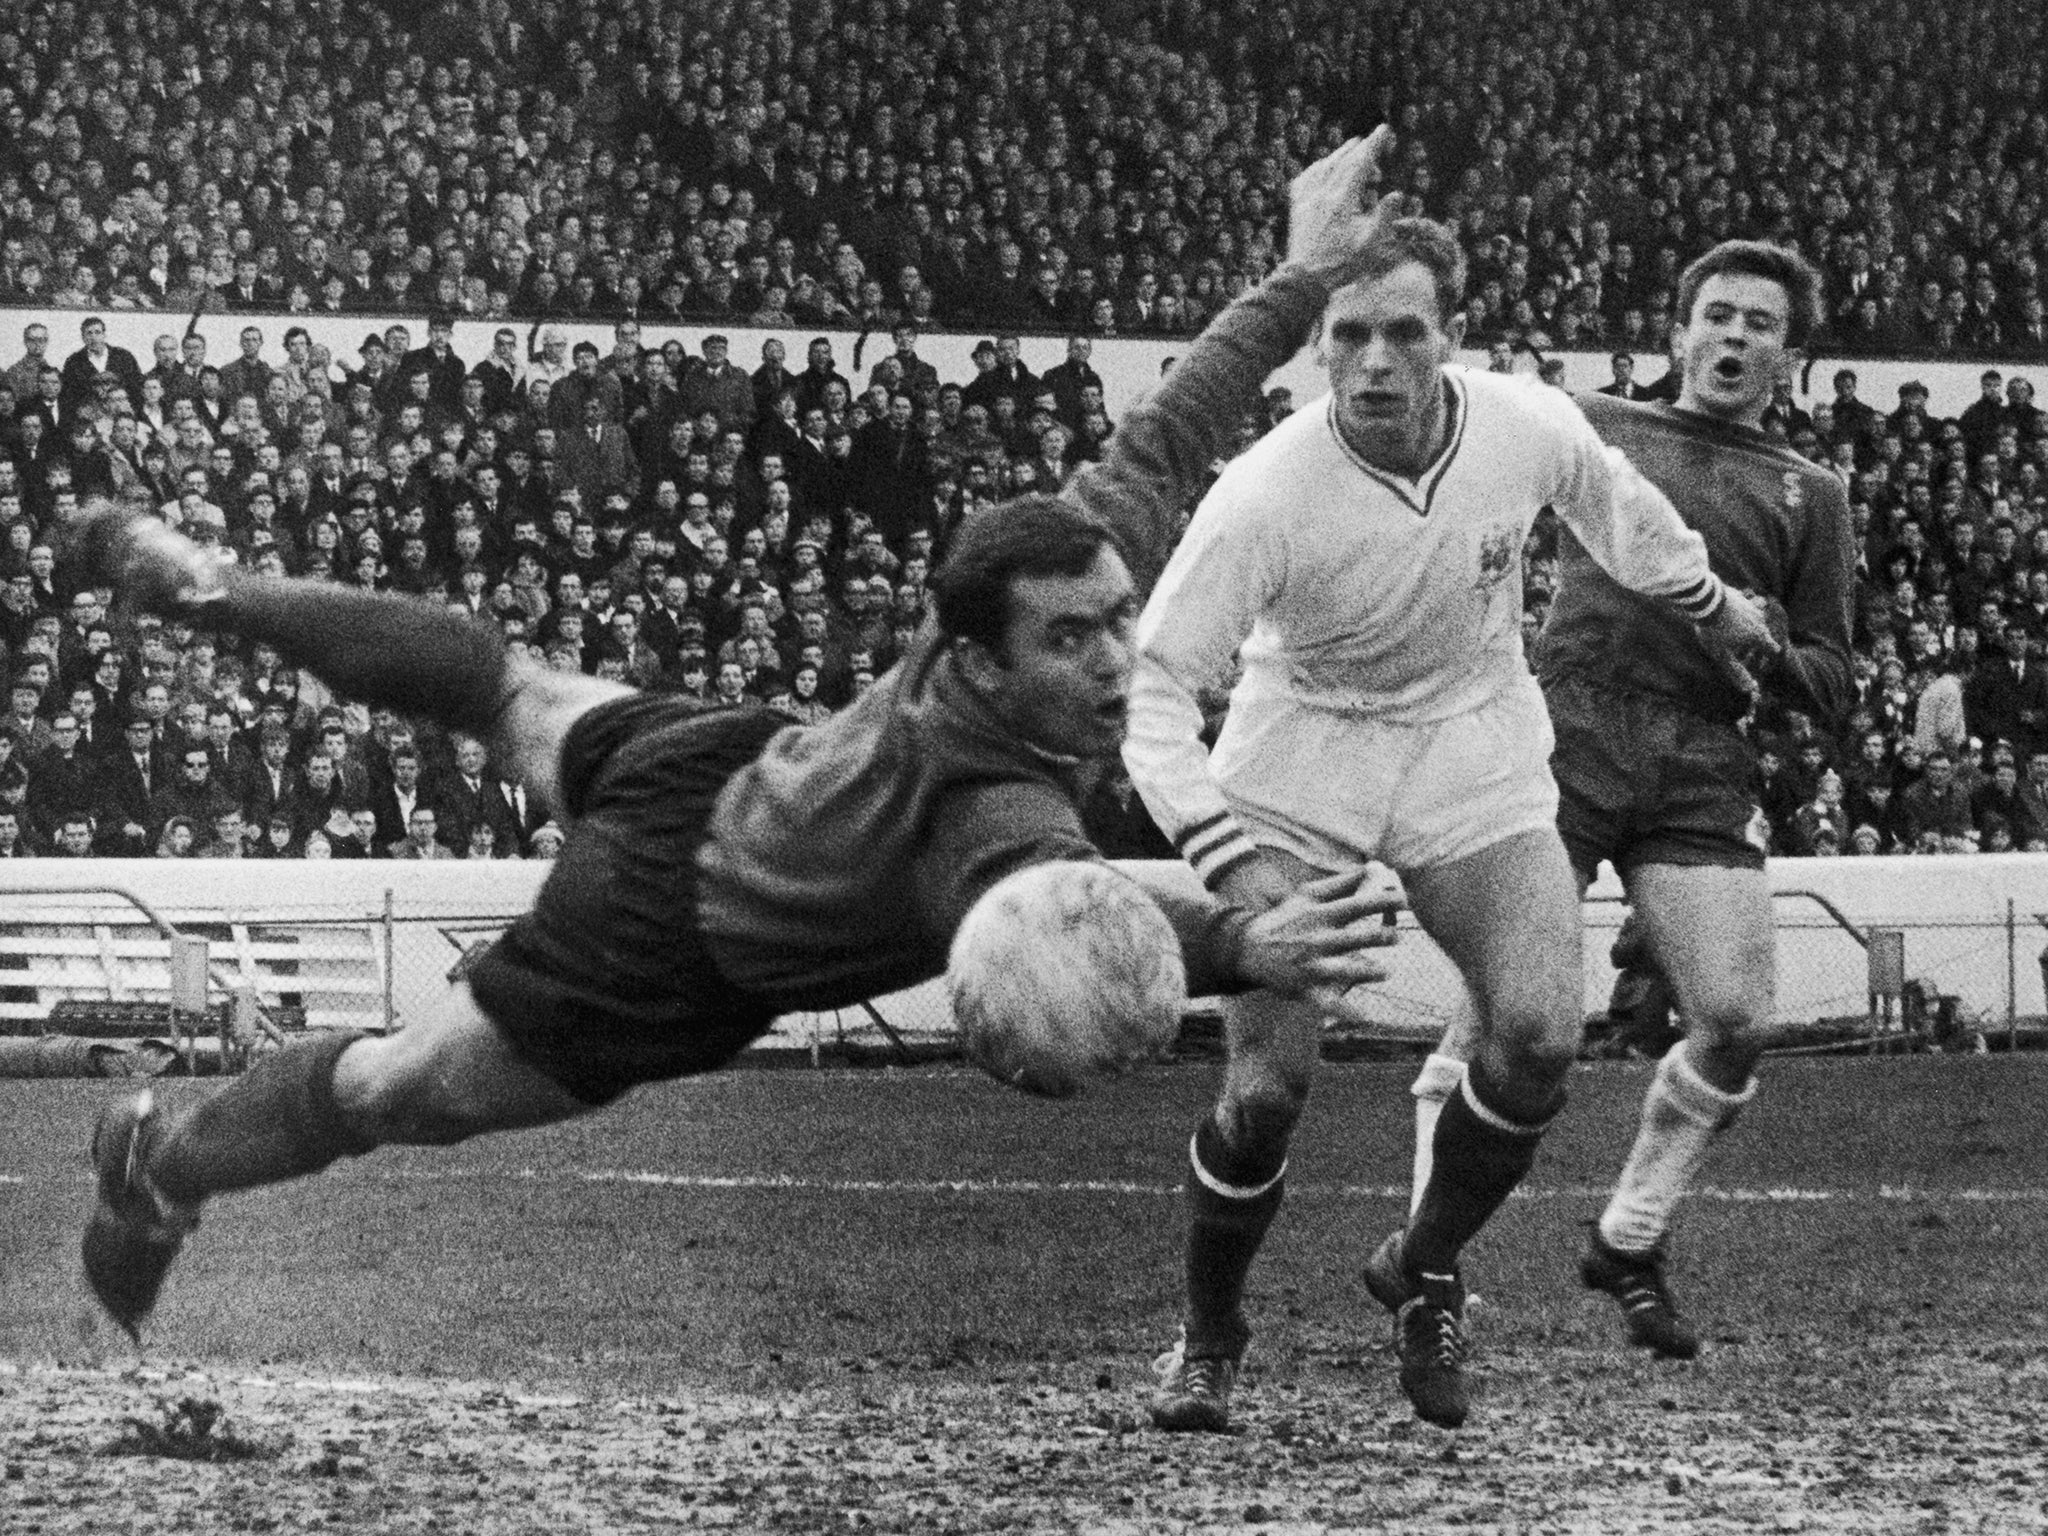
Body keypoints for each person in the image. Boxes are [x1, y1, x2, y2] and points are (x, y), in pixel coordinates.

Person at [75, 135, 1414, 1345]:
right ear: (974, 656)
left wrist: (1301, 278)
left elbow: (1176, 421)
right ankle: (164, 1162)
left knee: (506, 687)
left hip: (731, 759)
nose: (1118, 660)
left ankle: (213, 584)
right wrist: (1238, 940)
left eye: (1120, 625)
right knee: (390, 1089)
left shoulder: (1042, 576)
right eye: (1074, 642)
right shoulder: (991, 815)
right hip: (664, 940)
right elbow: (1070, 912)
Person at [1121, 216, 1777, 1432]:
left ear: (1450, 338)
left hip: (1469, 743)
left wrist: (1714, 606)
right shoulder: (1261, 492)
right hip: (1297, 760)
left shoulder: (1521, 424)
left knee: (1536, 1037)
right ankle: (1208, 1334)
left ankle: (1420, 1262)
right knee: (1264, 1094)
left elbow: (1618, 508)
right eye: (1347, 336)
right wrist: (1233, 858)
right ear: (1312, 351)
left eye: (1402, 332)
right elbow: (1151, 691)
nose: (1375, 361)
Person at [1423, 240, 1854, 1360]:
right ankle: (1428, 1269)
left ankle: (1628, 1237)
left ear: (1788, 359)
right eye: (1715, 315)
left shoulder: (1814, 494)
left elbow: (1832, 680)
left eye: (1759, 324)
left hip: (1701, 757)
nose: (1733, 336)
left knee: (1736, 1019)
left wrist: (1759, 642)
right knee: (1493, 1018)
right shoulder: (1591, 426)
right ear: (1676, 335)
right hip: (1562, 730)